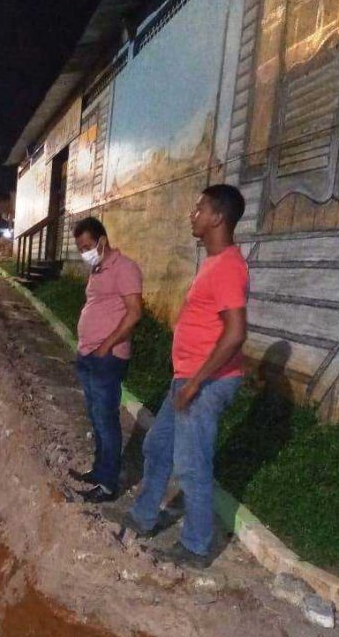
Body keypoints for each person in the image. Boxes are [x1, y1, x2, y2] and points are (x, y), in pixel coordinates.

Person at [123, 184, 248, 568]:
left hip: (205, 382)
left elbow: (236, 333)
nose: (191, 215)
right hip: (188, 378)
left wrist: (195, 383)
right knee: (157, 448)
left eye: (198, 209)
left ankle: (196, 547)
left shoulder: (228, 266)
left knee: (191, 465)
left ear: (218, 217)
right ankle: (144, 517)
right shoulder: (213, 262)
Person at [70, 217, 143, 503]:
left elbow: (134, 312)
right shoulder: (98, 268)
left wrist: (106, 345)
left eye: (87, 246)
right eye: (80, 248)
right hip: (88, 354)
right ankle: (99, 472)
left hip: (106, 358)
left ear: (102, 241)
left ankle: (108, 484)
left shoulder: (124, 268)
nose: (84, 252)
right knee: (96, 417)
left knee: (106, 420)